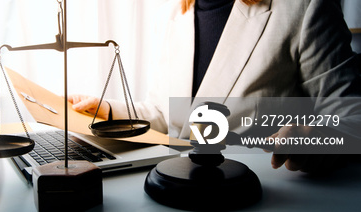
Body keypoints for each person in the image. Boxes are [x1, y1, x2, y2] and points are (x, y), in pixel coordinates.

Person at [70, 0, 361, 172]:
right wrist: (109, 110)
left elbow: (352, 118)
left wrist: (318, 139)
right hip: (179, 186)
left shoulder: (305, 8)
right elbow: (166, 114)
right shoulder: (181, 13)